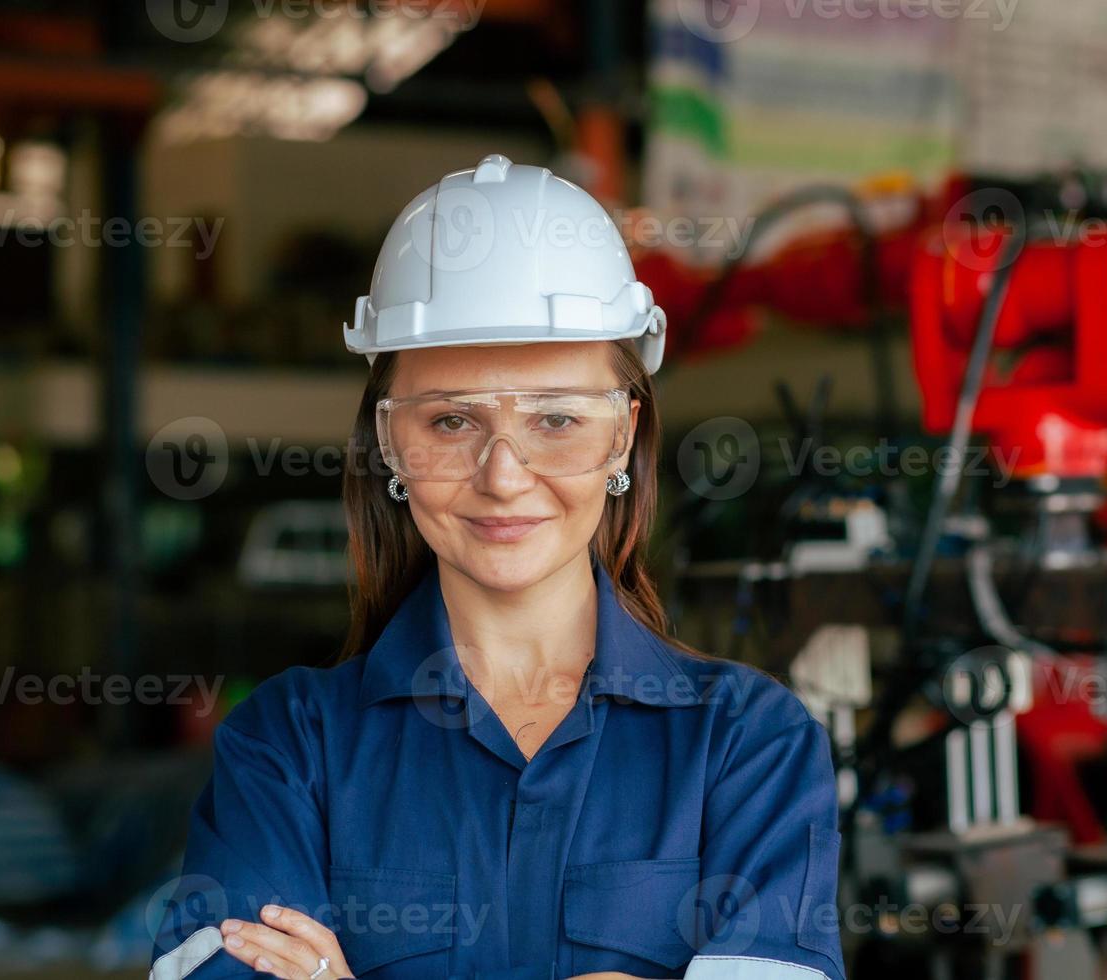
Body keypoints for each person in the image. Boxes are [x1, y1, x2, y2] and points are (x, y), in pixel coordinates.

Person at [151, 155, 844, 980]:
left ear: (621, 435)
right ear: (390, 441)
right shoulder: (286, 752)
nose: (504, 476)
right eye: (450, 421)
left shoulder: (747, 746)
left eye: (556, 418)